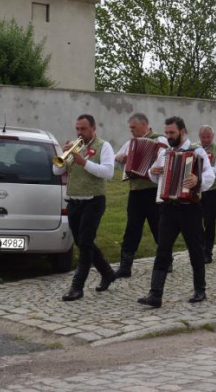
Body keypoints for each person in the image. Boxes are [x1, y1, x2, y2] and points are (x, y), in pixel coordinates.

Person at [138, 117, 215, 307]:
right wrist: (153, 172)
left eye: (171, 133)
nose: (168, 136)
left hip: (190, 208)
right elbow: (154, 176)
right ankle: (155, 294)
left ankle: (200, 290)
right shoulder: (165, 152)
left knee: (195, 249)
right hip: (168, 207)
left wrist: (197, 180)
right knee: (162, 249)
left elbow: (210, 175)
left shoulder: (196, 151)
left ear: (182, 131)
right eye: (166, 133)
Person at [54, 114, 116, 302]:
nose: (79, 133)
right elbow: (56, 170)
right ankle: (107, 273)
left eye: (83, 129)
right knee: (82, 243)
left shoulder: (104, 146)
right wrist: (64, 156)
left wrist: (83, 162)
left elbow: (108, 172)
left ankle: (77, 287)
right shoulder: (74, 147)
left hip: (93, 201)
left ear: (93, 129)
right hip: (73, 201)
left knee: (86, 243)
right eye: (77, 129)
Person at [114, 113, 168, 278]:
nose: (131, 131)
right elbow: (117, 163)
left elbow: (168, 161)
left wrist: (156, 168)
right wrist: (120, 158)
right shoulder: (130, 143)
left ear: (144, 125)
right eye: (130, 128)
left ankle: (166, 261)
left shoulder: (160, 140)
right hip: (135, 192)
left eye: (134, 128)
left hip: (153, 191)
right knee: (132, 228)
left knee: (158, 227)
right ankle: (125, 266)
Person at [194, 125, 216, 264]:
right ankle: (199, 248)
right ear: (199, 136)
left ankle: (208, 251)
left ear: (213, 136)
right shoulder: (194, 148)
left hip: (212, 189)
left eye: (208, 137)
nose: (206, 140)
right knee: (195, 219)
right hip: (196, 188)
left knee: (209, 221)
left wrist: (204, 168)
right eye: (203, 137)